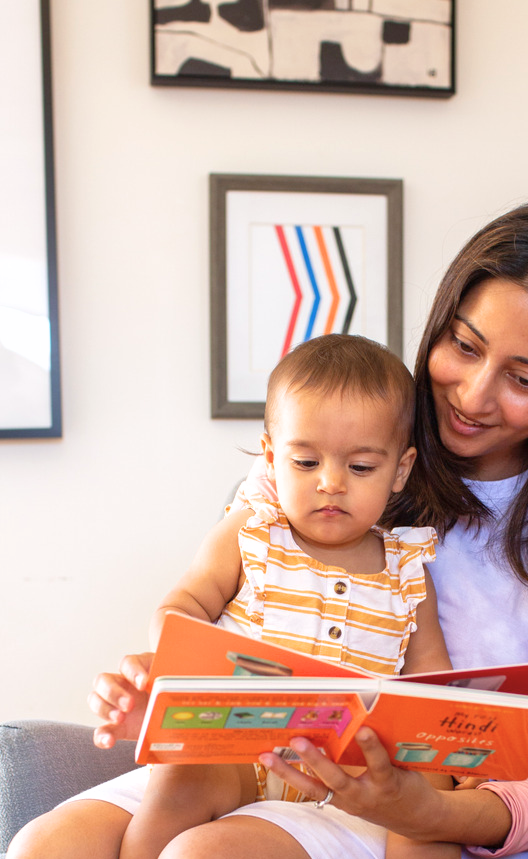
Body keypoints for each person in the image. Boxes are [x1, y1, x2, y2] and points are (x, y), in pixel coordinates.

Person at [9, 200, 528, 859]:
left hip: (399, 799)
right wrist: (162, 681)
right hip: (245, 759)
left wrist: (433, 808)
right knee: (45, 844)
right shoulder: (341, 451)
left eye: (524, 378)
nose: (470, 395)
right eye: (462, 346)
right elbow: (214, 613)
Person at [8, 334, 458, 859]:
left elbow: (433, 686)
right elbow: (181, 608)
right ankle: (157, 823)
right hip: (233, 756)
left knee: (214, 849)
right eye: (306, 463)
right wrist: (168, 667)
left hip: (341, 786)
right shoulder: (251, 534)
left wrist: (442, 769)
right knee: (44, 843)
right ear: (271, 458)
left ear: (399, 470)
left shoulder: (407, 570)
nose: (331, 483)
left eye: (360, 467)